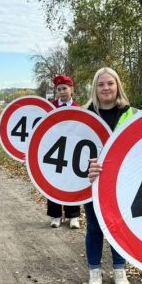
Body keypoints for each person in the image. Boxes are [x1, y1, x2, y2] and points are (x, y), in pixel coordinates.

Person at [82, 67, 136, 284]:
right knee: (94, 227)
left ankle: (119, 270)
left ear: (118, 86)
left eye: (110, 83)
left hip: (121, 183)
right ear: (95, 88)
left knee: (118, 227)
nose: (105, 88)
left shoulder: (132, 113)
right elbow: (74, 152)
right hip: (92, 183)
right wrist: (86, 169)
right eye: (101, 84)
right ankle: (95, 273)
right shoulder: (85, 114)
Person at [46, 74, 82, 229]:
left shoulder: (79, 108)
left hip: (72, 151)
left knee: (71, 183)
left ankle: (73, 216)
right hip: (54, 151)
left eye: (65, 88)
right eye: (59, 89)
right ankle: (55, 215)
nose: (62, 92)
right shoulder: (50, 107)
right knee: (54, 182)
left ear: (71, 89)